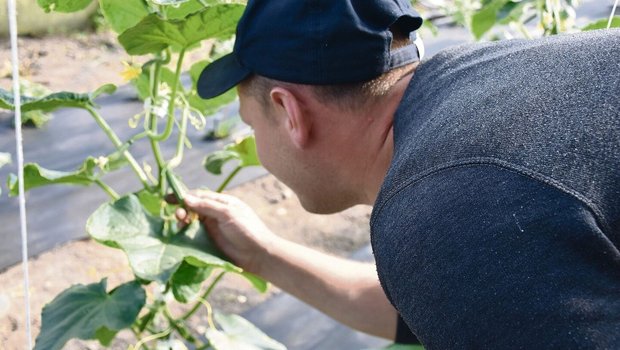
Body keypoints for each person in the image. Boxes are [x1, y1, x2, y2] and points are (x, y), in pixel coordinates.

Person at [175, 0, 620, 348]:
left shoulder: (445, 207)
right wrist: (262, 254)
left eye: (250, 125)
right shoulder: (485, 77)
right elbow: (450, 305)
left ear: (288, 112)